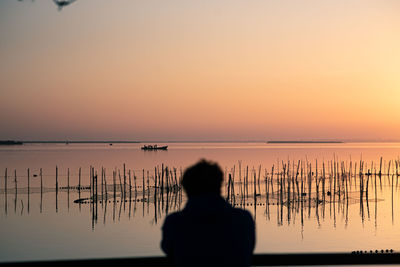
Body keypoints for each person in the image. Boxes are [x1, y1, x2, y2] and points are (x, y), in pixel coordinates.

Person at [161, 159, 255, 267]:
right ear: (219, 185)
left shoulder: (174, 222)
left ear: (187, 189)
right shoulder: (243, 219)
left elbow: (169, 251)